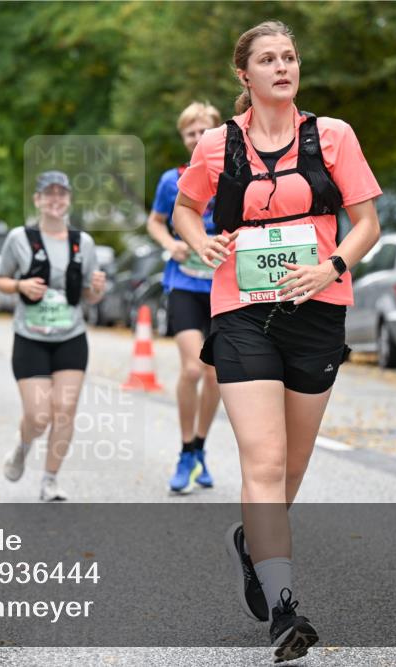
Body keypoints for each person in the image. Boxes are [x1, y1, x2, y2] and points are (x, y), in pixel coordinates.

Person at [173, 21, 382, 663]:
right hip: (242, 312)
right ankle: (285, 609)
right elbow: (185, 207)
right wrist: (199, 242)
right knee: (263, 461)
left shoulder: (334, 135)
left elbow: (366, 223)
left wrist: (332, 266)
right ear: (245, 74)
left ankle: (252, 544)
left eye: (289, 57)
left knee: (290, 467)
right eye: (268, 59)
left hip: (317, 310)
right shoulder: (217, 144)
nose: (282, 67)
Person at [0, 171, 106, 502]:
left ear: (68, 199)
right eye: (49, 193)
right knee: (38, 415)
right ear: (38, 199)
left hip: (71, 336)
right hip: (30, 336)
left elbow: (90, 296)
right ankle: (22, 446)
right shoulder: (19, 238)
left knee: (65, 409)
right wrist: (20, 285)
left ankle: (50, 480)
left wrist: (97, 289)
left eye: (62, 193)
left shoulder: (83, 242)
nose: (55, 199)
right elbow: (0, 279)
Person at [147, 101, 224, 494]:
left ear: (217, 133)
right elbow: (156, 222)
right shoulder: (171, 180)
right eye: (190, 133)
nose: (197, 138)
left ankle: (200, 447)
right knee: (193, 369)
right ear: (183, 138)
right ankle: (185, 450)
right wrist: (170, 244)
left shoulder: (233, 174)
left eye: (204, 131)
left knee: (214, 373)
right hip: (184, 284)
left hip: (223, 287)